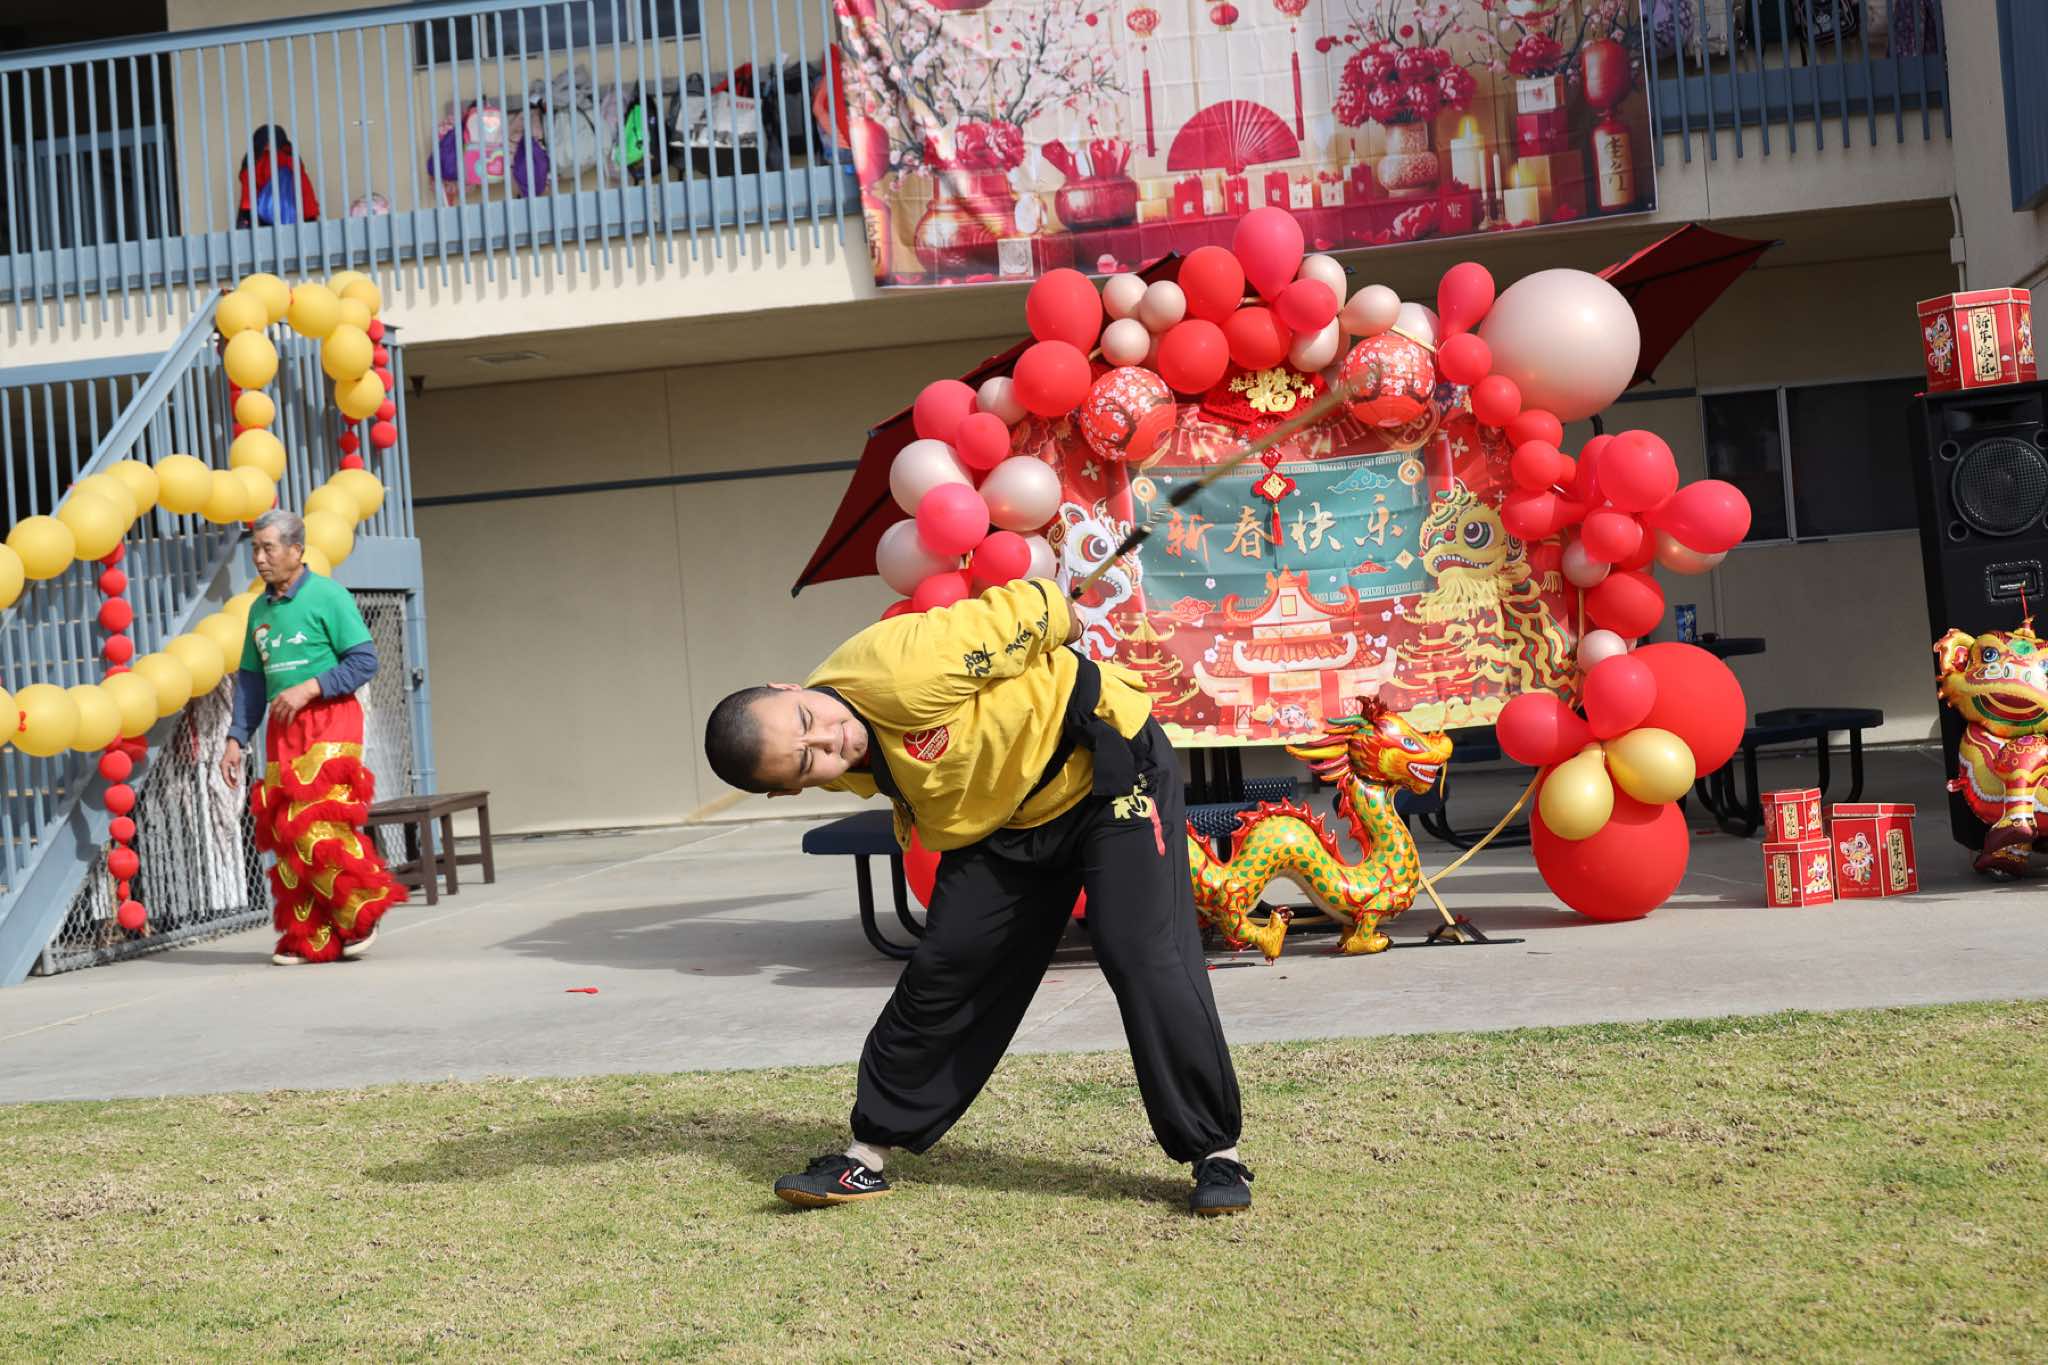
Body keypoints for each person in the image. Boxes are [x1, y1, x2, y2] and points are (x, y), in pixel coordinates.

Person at [703, 578, 1252, 1216]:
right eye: (807, 762)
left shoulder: (899, 670)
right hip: (1004, 818)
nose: (830, 743)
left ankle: (1216, 1153)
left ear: (787, 686)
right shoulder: (821, 756)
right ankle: (867, 1154)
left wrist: (1063, 620)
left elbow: (1029, 605)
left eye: (808, 722)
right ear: (790, 790)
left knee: (1138, 949)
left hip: (1104, 772)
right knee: (951, 962)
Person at [222, 510, 405, 965]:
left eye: (268, 548)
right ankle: (312, 937)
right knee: (286, 832)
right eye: (255, 549)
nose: (259, 558)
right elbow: (251, 682)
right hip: (282, 729)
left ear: (296, 550)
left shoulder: (329, 595)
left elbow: (364, 661)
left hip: (330, 722)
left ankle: (360, 912)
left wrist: (311, 687)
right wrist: (235, 738)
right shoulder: (258, 610)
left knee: (315, 822)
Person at [236, 125, 320, 228]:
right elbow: (305, 191)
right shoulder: (291, 156)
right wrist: (310, 219)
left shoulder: (254, 161)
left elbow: (248, 199)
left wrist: (244, 223)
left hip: (265, 222)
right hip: (295, 220)